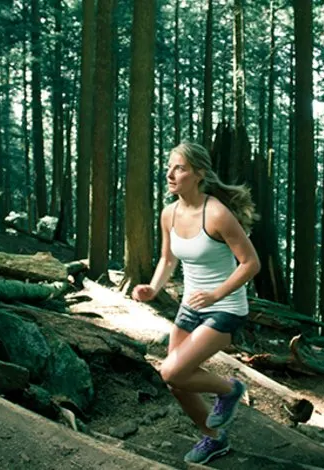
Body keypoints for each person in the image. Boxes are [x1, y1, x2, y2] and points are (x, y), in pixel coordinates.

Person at [131, 142, 261, 465]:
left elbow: (251, 263)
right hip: (191, 305)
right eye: (169, 167)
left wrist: (217, 294)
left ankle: (229, 390)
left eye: (180, 168)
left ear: (198, 174)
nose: (170, 174)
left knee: (172, 369)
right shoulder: (169, 214)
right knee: (175, 381)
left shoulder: (216, 213)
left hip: (226, 307)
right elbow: (167, 259)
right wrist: (153, 287)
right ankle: (214, 438)